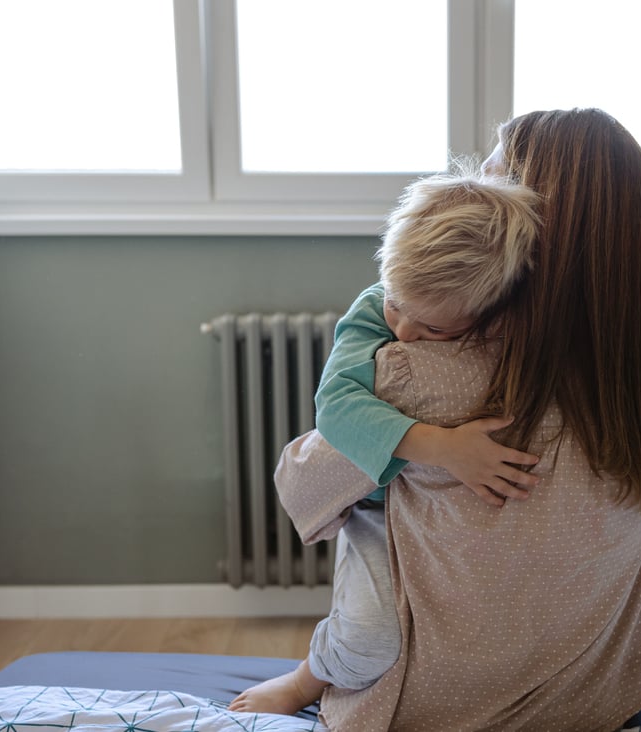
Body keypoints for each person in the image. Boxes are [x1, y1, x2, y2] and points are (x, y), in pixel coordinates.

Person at [266, 108, 641, 731]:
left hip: (438, 703)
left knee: (358, 510)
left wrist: (415, 446)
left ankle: (305, 678)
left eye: (494, 176)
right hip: (601, 694)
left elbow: (301, 485)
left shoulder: (426, 372)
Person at [230, 170, 545, 715]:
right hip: (378, 509)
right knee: (369, 639)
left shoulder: (507, 319)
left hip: (455, 518)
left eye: (436, 331)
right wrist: (443, 446)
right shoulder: (373, 310)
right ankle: (307, 678)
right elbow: (336, 408)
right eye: (398, 305)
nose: (402, 333)